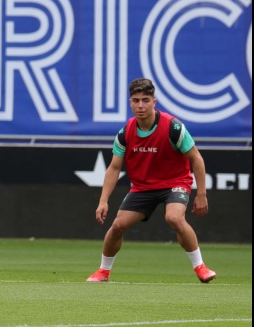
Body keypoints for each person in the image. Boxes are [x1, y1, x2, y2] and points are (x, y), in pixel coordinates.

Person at [87, 78, 216, 284]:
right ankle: (103, 271)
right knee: (118, 225)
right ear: (130, 103)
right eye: (136, 100)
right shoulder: (125, 133)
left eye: (145, 100)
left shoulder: (173, 127)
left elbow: (196, 159)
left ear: (154, 102)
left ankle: (200, 267)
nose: (140, 106)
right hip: (142, 187)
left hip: (175, 182)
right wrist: (103, 201)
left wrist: (201, 194)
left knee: (174, 218)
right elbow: (114, 167)